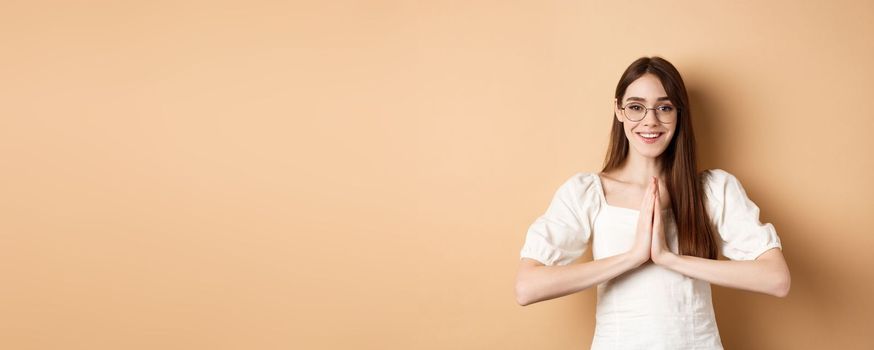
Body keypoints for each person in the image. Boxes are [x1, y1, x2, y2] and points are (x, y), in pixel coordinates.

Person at [514, 56, 790, 349]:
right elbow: (527, 287)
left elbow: (776, 279)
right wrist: (632, 257)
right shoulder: (588, 193)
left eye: (664, 107)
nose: (650, 120)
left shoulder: (713, 190)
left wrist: (670, 259)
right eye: (636, 107)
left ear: (679, 114)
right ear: (618, 110)